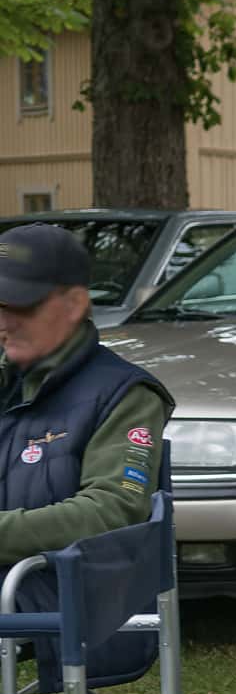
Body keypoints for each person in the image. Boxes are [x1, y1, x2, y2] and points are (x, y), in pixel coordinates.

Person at [0, 224, 173, 568]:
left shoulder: (125, 395)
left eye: (21, 305)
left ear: (74, 305)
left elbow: (112, 511)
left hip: (51, 591)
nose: (4, 322)